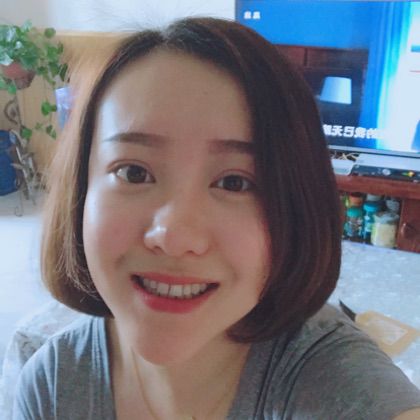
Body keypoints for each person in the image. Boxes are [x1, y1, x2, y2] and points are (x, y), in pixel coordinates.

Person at [12, 17, 420, 420]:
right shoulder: (52, 385)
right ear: (81, 193)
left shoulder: (337, 385)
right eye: (133, 172)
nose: (173, 237)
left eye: (234, 182)